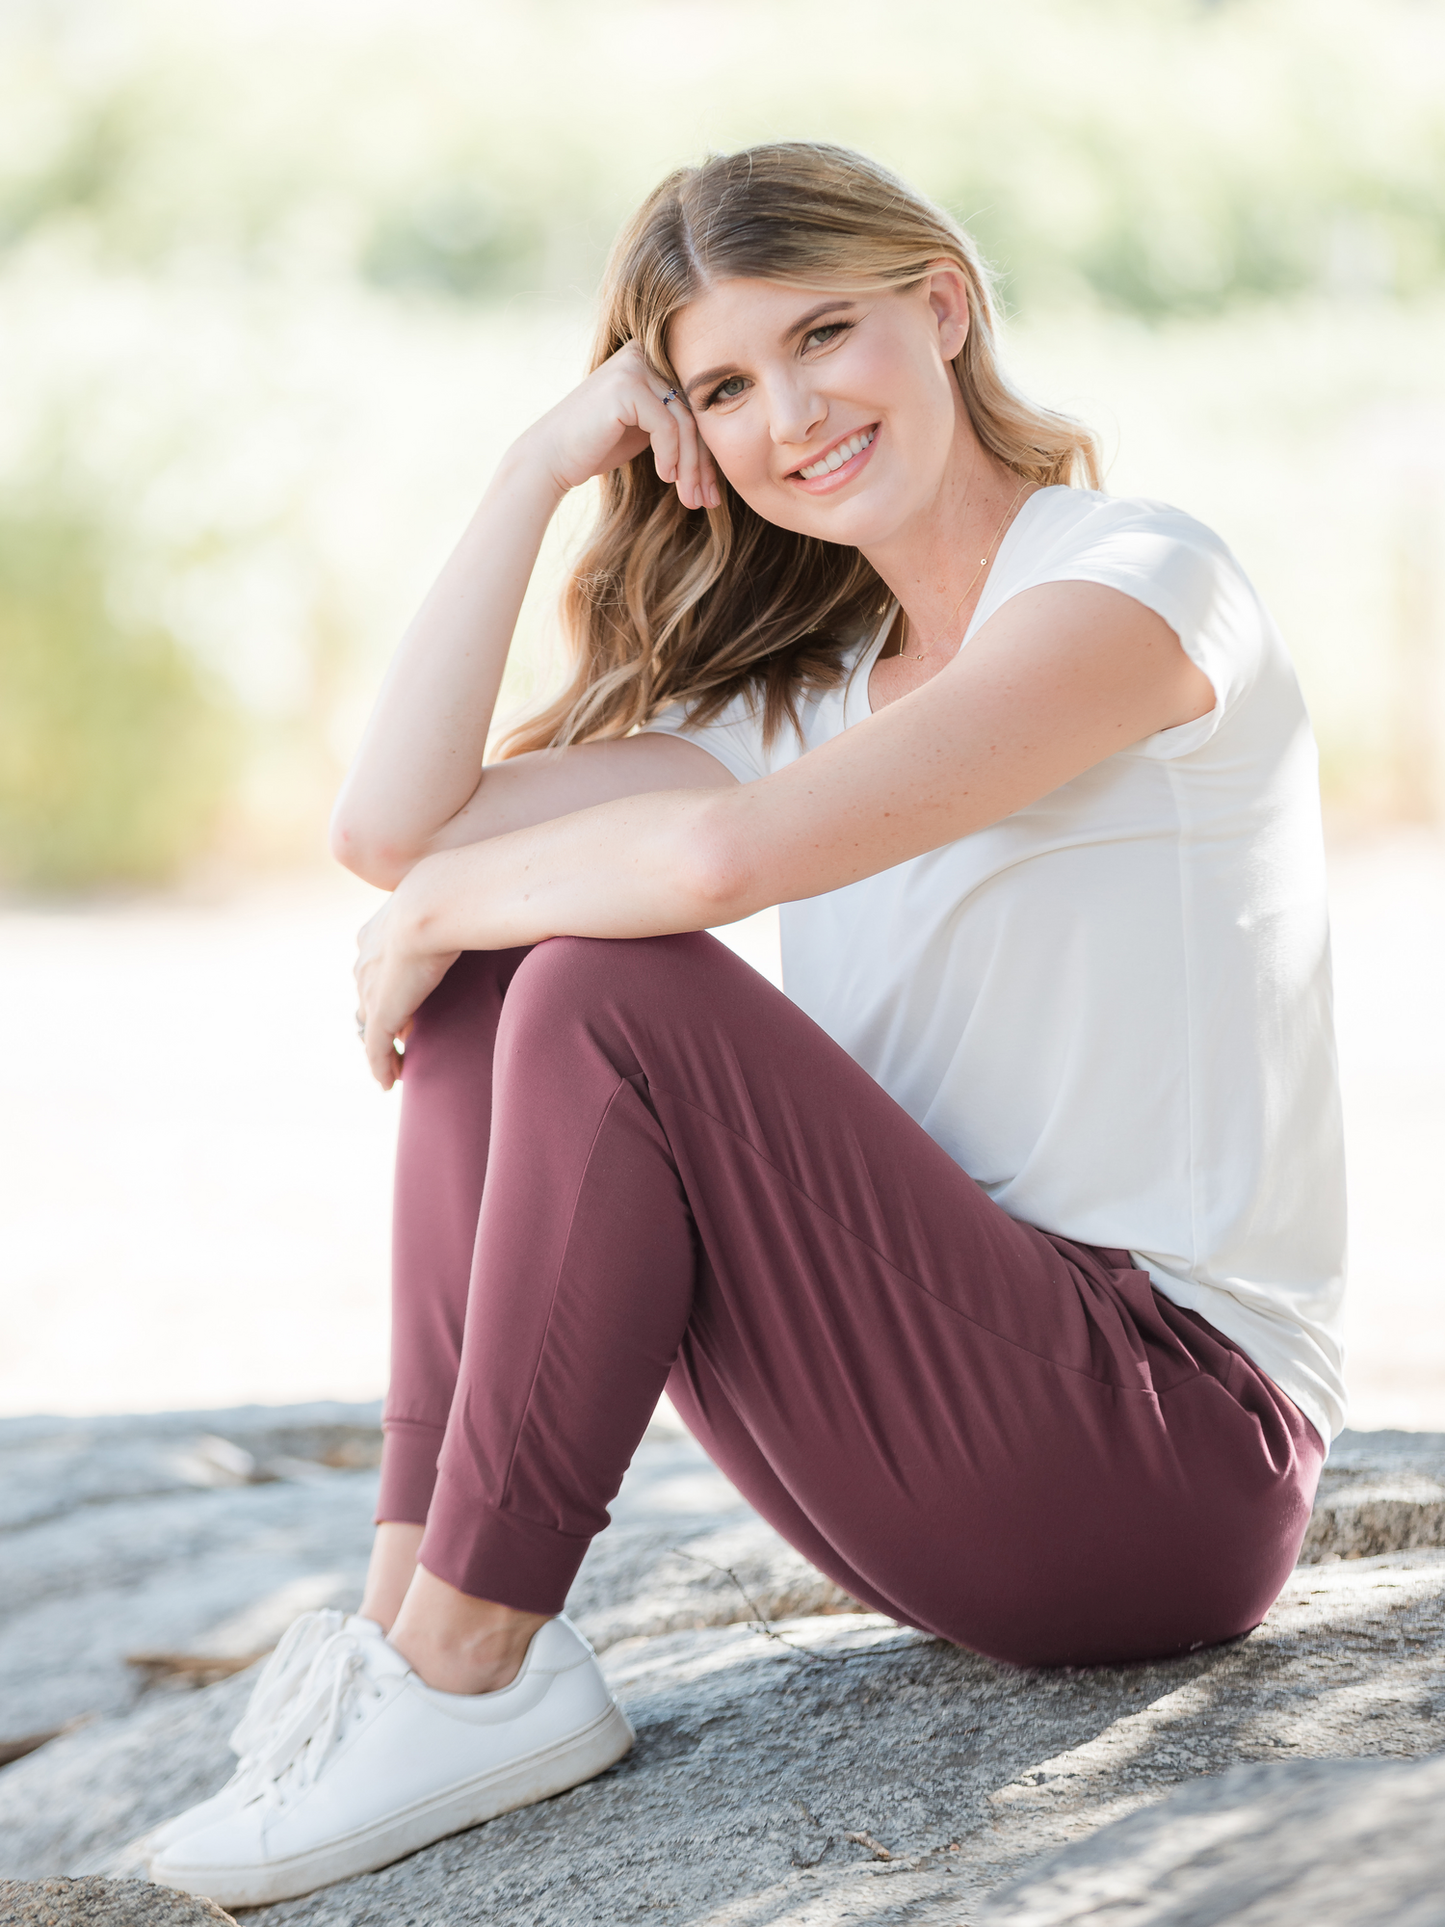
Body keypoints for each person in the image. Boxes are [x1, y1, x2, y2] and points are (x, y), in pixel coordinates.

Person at [149, 142, 1346, 1909]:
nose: (788, 412)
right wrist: (538, 462)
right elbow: (395, 832)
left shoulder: (1140, 586)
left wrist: (447, 910)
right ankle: (411, 1635)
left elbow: (717, 859)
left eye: (826, 337)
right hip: (949, 1429)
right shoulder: (812, 699)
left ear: (943, 308)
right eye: (722, 383)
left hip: (1171, 1444)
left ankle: (482, 1652)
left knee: (598, 967)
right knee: (513, 957)